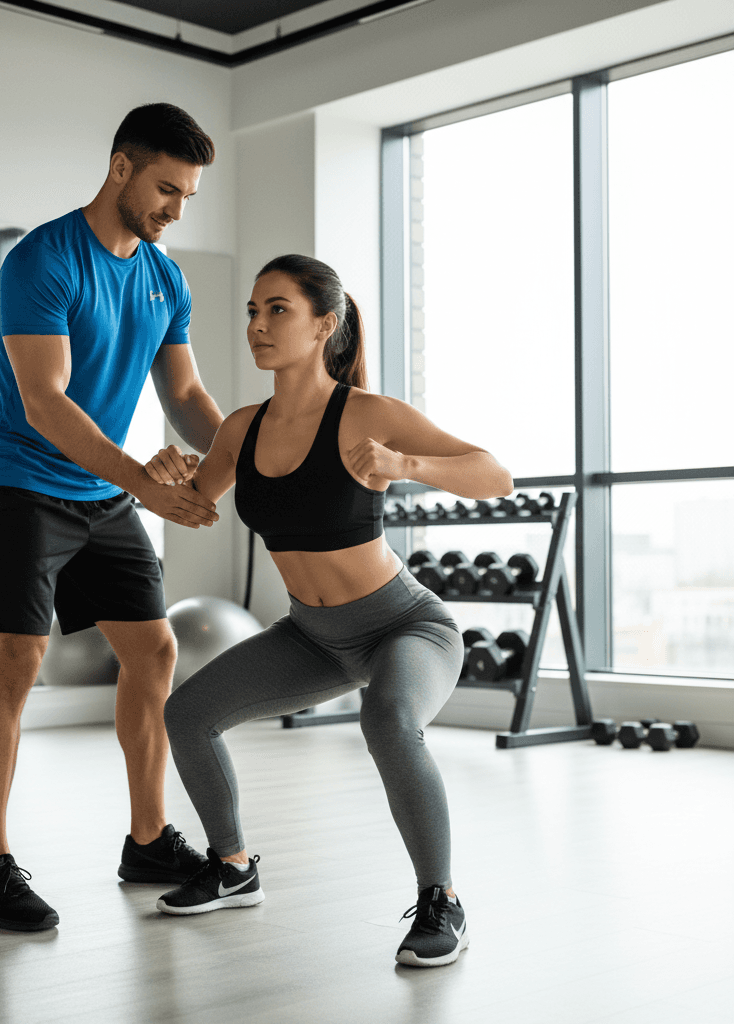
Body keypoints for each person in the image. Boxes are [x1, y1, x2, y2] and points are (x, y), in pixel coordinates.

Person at [143, 254, 513, 967]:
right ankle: (232, 866)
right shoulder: (242, 428)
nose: (257, 324)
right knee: (187, 714)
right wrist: (157, 478)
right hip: (313, 637)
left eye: (277, 309)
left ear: (326, 326)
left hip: (406, 625)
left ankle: (441, 899)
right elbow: (192, 503)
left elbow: (493, 472)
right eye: (252, 310)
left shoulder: (367, 415)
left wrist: (410, 466)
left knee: (388, 718)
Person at [0, 103, 226, 932]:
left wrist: (251, 466)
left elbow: (182, 395)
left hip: (101, 490)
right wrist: (146, 485)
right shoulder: (43, 259)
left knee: (153, 651)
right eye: (165, 190)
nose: (175, 210)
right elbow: (45, 403)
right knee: (15, 662)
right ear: (120, 168)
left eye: (186, 196)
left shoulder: (163, 276)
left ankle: (147, 839)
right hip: (21, 479)